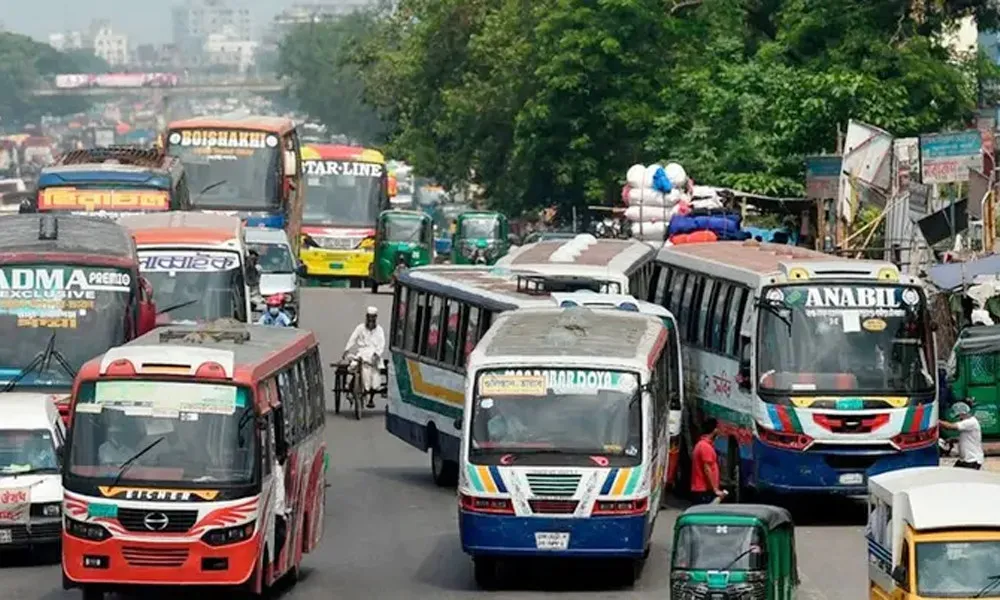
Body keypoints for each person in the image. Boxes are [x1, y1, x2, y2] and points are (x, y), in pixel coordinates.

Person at [343, 306, 386, 408]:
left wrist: (377, 354)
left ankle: (371, 397)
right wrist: (346, 349)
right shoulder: (360, 328)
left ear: (375, 318)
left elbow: (382, 344)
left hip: (374, 355)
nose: (371, 320)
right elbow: (353, 338)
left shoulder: (379, 330)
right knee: (353, 365)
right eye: (369, 317)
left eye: (373, 317)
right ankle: (351, 385)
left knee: (375, 378)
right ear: (366, 317)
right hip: (362, 353)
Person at [691, 417, 728, 503]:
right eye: (718, 428)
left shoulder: (703, 445)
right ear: (714, 430)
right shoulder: (705, 447)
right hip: (703, 490)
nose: (720, 431)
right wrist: (715, 489)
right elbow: (707, 469)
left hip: (704, 490)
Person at [940, 402, 984, 469]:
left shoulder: (970, 422)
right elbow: (968, 437)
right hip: (964, 459)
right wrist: (954, 439)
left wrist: (937, 421)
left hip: (972, 460)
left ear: (962, 413)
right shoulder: (968, 423)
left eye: (958, 416)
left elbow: (950, 426)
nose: (959, 419)